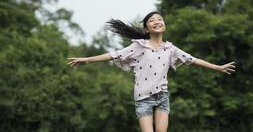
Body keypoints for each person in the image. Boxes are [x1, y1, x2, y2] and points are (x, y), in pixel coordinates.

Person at [68, 11, 236, 132]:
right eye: (152, 20)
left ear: (164, 25)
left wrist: (218, 67)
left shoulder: (170, 48)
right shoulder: (139, 46)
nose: (157, 21)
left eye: (160, 19)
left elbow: (193, 60)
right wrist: (87, 60)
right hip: (143, 98)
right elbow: (113, 55)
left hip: (162, 96)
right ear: (147, 29)